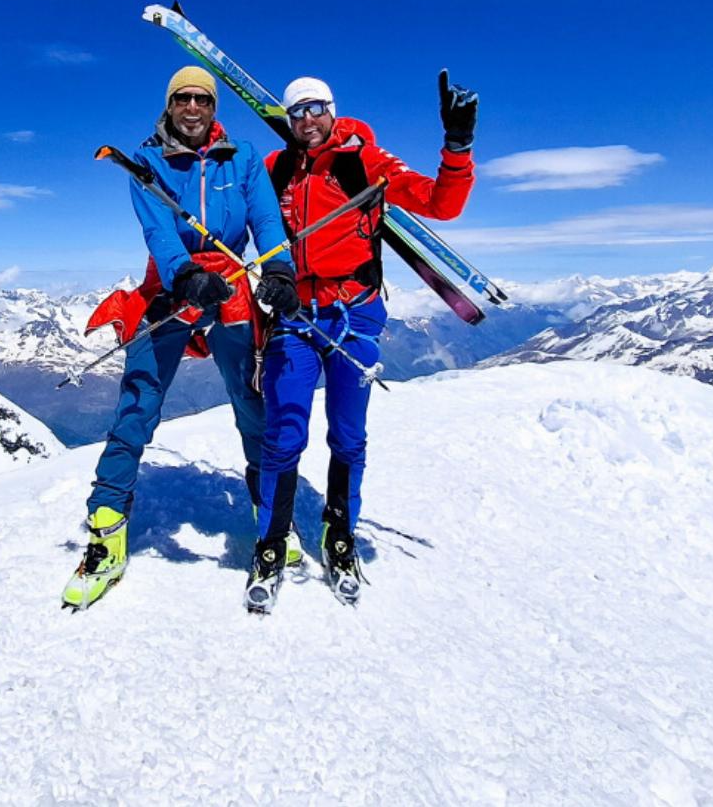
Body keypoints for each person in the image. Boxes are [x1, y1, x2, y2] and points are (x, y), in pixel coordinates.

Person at [62, 66, 300, 610]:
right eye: (182, 99)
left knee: (252, 405)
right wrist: (183, 273)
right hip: (170, 288)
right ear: (169, 106)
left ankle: (272, 521)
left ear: (214, 108)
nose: (192, 107)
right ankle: (105, 535)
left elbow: (265, 220)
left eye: (202, 99)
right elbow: (159, 231)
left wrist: (280, 269)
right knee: (138, 407)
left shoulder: (240, 160)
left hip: (232, 285)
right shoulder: (146, 164)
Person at [247, 72, 477, 610]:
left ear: (332, 109)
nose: (308, 118)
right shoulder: (275, 170)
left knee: (348, 435)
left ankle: (340, 533)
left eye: (317, 107)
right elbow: (242, 224)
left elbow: (441, 204)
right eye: (298, 111)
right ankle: (272, 541)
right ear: (287, 119)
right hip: (296, 317)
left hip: (354, 315)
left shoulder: (363, 160)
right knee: (283, 435)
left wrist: (458, 146)